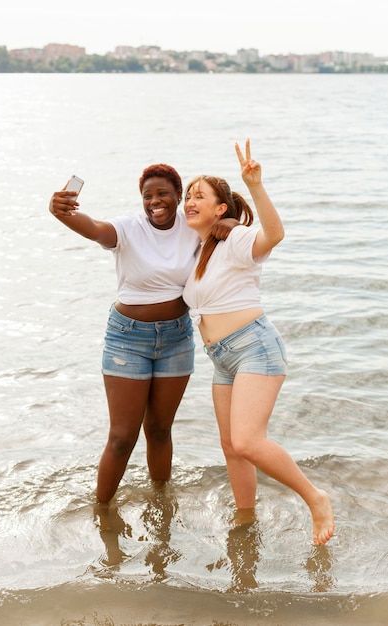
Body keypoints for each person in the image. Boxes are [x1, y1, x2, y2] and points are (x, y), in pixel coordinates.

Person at [49, 164, 236, 504]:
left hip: (176, 339)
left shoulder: (191, 226)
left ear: (179, 197)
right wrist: (61, 213)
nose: (155, 201)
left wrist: (230, 222)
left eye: (163, 193)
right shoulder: (128, 228)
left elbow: (228, 224)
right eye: (147, 196)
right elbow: (94, 228)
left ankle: (160, 504)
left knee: (160, 430)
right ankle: (101, 510)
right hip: (128, 339)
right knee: (122, 436)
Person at [182, 139, 335, 545]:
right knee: (232, 446)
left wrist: (255, 186)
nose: (189, 201)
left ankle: (315, 498)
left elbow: (275, 234)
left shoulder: (236, 240)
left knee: (249, 440)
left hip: (254, 346)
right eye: (188, 196)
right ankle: (245, 520)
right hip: (221, 358)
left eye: (200, 196)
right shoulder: (196, 250)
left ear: (221, 208)